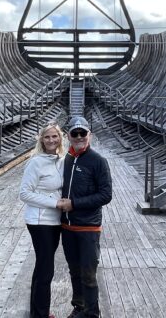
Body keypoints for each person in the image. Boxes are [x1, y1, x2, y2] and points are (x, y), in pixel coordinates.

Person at [57, 116, 112, 318]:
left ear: (90, 134)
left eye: (83, 133)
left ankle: (92, 313)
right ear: (69, 136)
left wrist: (74, 204)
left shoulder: (98, 161)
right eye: (75, 133)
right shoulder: (66, 160)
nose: (79, 137)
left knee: (88, 274)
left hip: (88, 227)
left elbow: (106, 195)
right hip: (68, 228)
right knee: (74, 272)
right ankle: (79, 307)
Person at [19, 121, 66, 318]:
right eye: (47, 137)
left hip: (54, 221)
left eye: (54, 136)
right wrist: (54, 203)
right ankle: (40, 314)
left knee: (42, 266)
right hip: (40, 221)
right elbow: (24, 194)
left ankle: (38, 311)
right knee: (46, 269)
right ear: (41, 140)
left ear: (60, 138)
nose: (51, 140)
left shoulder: (61, 160)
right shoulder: (36, 162)